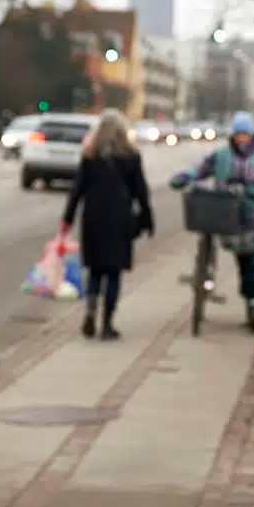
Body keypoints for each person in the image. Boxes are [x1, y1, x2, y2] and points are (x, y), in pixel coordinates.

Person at [170, 110, 254, 331]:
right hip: (230, 217)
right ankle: (249, 301)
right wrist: (186, 176)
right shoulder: (222, 156)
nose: (241, 138)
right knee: (242, 263)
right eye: (238, 134)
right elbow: (202, 169)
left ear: (252, 134)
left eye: (245, 134)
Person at [61, 109, 154, 340]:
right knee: (114, 273)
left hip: (93, 219)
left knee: (95, 271)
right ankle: (107, 324)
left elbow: (77, 190)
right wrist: (147, 219)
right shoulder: (131, 157)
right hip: (120, 221)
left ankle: (91, 310)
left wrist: (67, 220)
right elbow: (141, 192)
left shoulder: (90, 156)